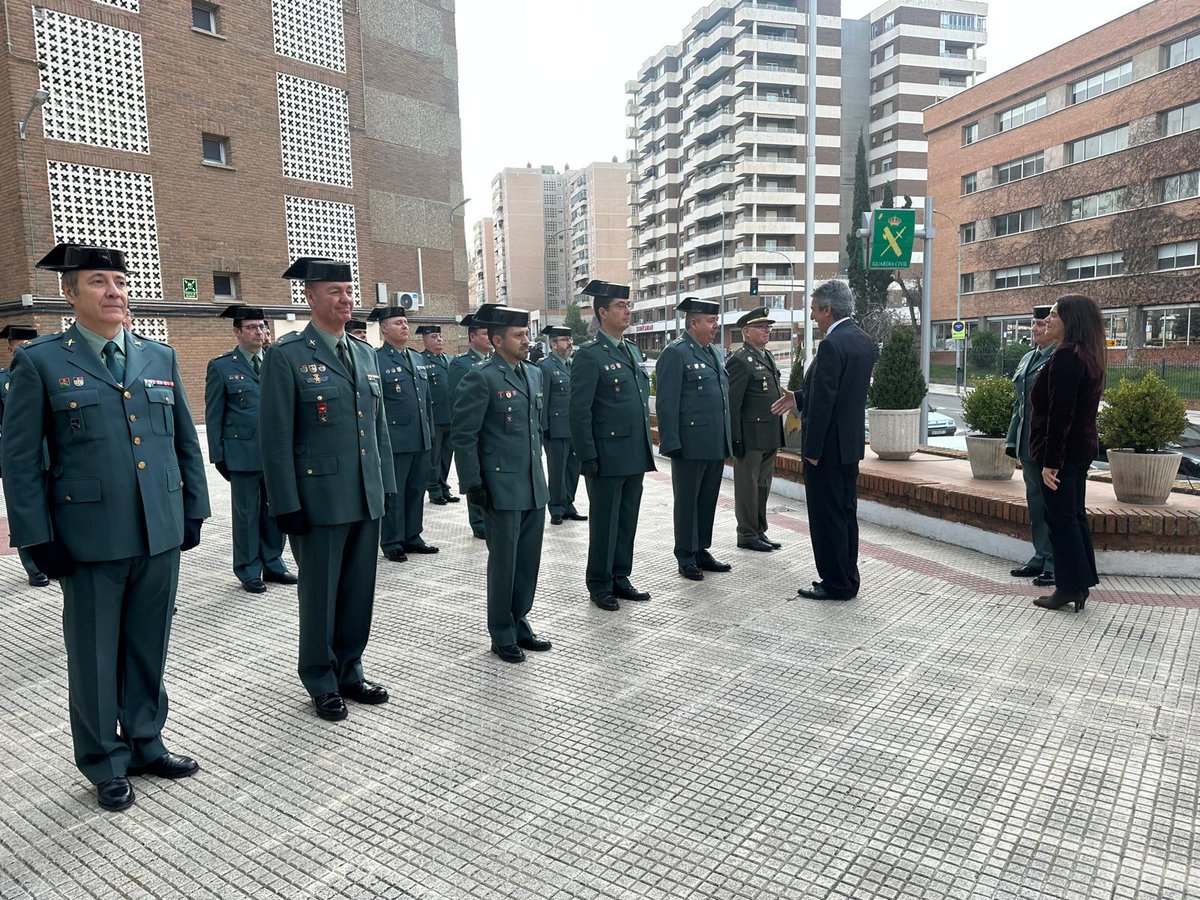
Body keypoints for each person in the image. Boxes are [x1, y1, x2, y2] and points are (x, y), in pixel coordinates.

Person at [2, 243, 210, 812]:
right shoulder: (41, 361)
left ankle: (145, 741)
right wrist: (35, 536)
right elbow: (19, 459)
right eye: (99, 281)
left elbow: (182, 440)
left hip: (158, 528)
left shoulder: (158, 356)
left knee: (149, 644)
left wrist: (193, 508)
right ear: (69, 294)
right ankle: (103, 759)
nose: (115, 291)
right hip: (88, 535)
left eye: (120, 280)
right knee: (94, 653)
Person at [260, 258, 395, 721]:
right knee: (319, 595)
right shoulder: (288, 355)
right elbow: (275, 439)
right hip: (317, 502)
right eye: (335, 291)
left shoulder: (364, 353)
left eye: (348, 290)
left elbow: (378, 431)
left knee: (359, 591)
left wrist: (385, 487)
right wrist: (286, 505)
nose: (345, 299)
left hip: (363, 495)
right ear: (311, 298)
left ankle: (350, 670)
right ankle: (320, 678)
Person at [451, 305, 552, 663]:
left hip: (532, 485)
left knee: (528, 562)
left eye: (527, 334)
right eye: (519, 335)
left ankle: (520, 620)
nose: (527, 341)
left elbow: (535, 430)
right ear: (497, 340)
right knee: (504, 563)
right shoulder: (482, 378)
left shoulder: (534, 374)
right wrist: (473, 484)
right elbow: (464, 436)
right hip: (500, 487)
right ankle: (501, 631)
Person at [773, 280, 874, 601]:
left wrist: (812, 450)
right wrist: (799, 397)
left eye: (815, 310)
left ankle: (833, 583)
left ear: (829, 310)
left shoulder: (832, 345)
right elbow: (839, 391)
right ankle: (847, 577)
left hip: (826, 450)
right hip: (849, 448)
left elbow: (827, 402)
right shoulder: (862, 340)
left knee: (826, 517)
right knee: (845, 514)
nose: (814, 317)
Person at [569, 279, 655, 610]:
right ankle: (599, 582)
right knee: (605, 522)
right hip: (606, 455)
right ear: (602, 312)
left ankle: (621, 576)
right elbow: (579, 411)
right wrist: (587, 455)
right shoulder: (590, 355)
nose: (627, 311)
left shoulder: (631, 350)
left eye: (629, 306)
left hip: (634, 452)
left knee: (627, 519)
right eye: (621, 306)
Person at [204, 305, 296, 593]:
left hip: (277, 456)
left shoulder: (276, 360)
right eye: (253, 327)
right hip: (242, 455)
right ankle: (248, 569)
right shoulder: (222, 366)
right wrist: (219, 456)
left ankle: (274, 563)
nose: (260, 332)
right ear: (237, 332)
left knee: (275, 511)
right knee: (246, 516)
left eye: (263, 327)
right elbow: (214, 414)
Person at [1029, 295, 1105, 613]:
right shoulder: (1085, 355)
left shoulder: (1067, 359)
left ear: (1071, 321)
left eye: (1055, 315)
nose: (1048, 318)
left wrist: (1051, 463)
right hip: (1079, 451)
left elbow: (1062, 415)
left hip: (1064, 453)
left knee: (1061, 519)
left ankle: (1069, 586)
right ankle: (1080, 583)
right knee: (1072, 516)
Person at [656, 296, 733, 582]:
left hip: (713, 441)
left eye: (715, 320)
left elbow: (722, 399)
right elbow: (667, 402)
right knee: (687, 500)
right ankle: (685, 555)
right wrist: (671, 442)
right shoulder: (676, 353)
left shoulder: (713, 351)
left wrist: (727, 438)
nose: (716, 326)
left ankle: (701, 549)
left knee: (707, 499)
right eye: (711, 321)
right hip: (689, 443)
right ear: (693, 323)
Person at [371, 306, 437, 562]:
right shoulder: (377, 359)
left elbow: (426, 401)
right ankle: (392, 541)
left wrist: (429, 434)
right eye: (398, 323)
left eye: (406, 322)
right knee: (394, 493)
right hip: (395, 441)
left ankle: (413, 536)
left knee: (417, 489)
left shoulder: (416, 358)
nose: (405, 327)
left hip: (420, 437)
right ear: (384, 328)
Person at [1005, 305, 1056, 588]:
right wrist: (1012, 439)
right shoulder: (1028, 358)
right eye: (1033, 324)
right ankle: (1040, 555)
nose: (1035, 329)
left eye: (1040, 324)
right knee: (1035, 503)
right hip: (1027, 440)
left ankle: (1053, 562)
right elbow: (1020, 405)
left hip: (1047, 442)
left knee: (1051, 505)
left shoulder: (1059, 358)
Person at [726, 307, 785, 553]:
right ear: (746, 332)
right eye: (761, 327)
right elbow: (733, 404)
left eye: (768, 327)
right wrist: (735, 439)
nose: (767, 331)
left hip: (768, 434)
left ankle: (760, 530)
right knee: (747, 487)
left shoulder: (767, 356)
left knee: (762, 485)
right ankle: (747, 534)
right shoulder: (740, 360)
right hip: (750, 436)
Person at [0, 324, 50, 586]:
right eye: (18, 344)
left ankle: (51, 554)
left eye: (27, 344)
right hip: (22, 456)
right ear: (10, 347)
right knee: (25, 507)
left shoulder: (47, 374)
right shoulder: (3, 380)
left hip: (49, 452)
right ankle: (33, 566)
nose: (23, 349)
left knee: (51, 506)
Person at [449, 311, 492, 540]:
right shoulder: (461, 364)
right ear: (472, 337)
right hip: (473, 430)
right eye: (484, 333)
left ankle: (487, 517)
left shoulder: (495, 363)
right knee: (474, 473)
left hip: (491, 432)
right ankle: (478, 521)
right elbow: (457, 402)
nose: (489, 337)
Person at [538, 325, 585, 526]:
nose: (569, 344)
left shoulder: (572, 365)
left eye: (570, 340)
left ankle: (568, 504)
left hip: (574, 428)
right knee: (557, 470)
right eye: (565, 340)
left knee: (573, 468)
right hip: (555, 429)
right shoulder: (545, 366)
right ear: (553, 344)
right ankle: (556, 508)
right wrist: (544, 428)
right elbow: (543, 400)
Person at [418, 324, 458, 506]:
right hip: (433, 416)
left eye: (440, 337)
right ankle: (433, 489)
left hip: (450, 416)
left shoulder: (450, 360)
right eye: (434, 337)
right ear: (425, 340)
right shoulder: (420, 360)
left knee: (446, 455)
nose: (439, 340)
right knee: (433, 456)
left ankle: (444, 486)